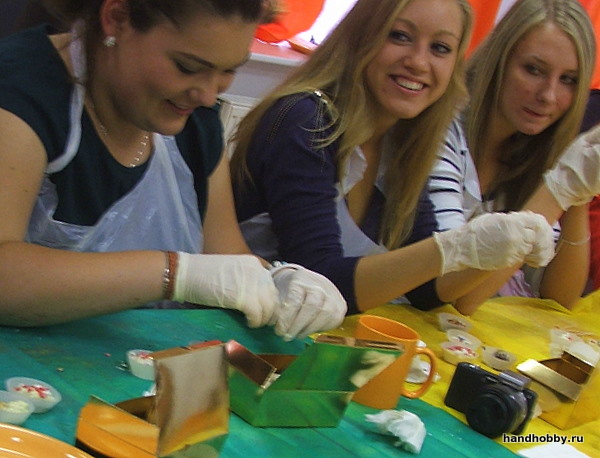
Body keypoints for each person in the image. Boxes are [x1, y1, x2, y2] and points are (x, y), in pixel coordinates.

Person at [0, 0, 352, 341]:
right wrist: (175, 273)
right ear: (117, 17)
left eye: (228, 70)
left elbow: (225, 256)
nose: (208, 95)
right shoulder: (20, 92)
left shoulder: (193, 122)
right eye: (187, 67)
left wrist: (280, 283)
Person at [230, 0, 556, 315]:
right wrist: (455, 248)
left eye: (440, 48)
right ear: (362, 34)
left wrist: (493, 250)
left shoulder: (401, 141)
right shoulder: (305, 119)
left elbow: (426, 290)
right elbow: (318, 283)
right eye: (400, 36)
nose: (419, 62)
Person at [428, 0, 596, 314]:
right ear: (499, 60)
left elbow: (558, 300)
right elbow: (458, 294)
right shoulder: (441, 127)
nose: (548, 95)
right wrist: (559, 189)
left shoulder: (534, 149)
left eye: (568, 80)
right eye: (533, 70)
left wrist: (578, 192)